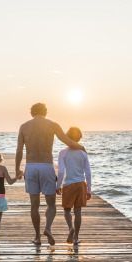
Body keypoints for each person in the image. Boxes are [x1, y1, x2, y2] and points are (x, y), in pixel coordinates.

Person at [15, 102, 86, 245]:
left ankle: (37, 237)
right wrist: (81, 147)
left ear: (32, 113)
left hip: (31, 166)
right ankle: (47, 228)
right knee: (51, 204)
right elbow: (68, 141)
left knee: (34, 205)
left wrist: (17, 169)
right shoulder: (53, 125)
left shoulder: (24, 127)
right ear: (45, 112)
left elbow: (19, 151)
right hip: (47, 166)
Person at [56, 127, 92, 245]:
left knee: (67, 210)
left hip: (69, 184)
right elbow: (88, 172)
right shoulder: (83, 153)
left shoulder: (63, 153)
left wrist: (58, 186)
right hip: (81, 184)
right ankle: (76, 237)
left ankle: (71, 228)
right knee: (78, 212)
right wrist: (89, 189)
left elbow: (61, 171)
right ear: (79, 137)